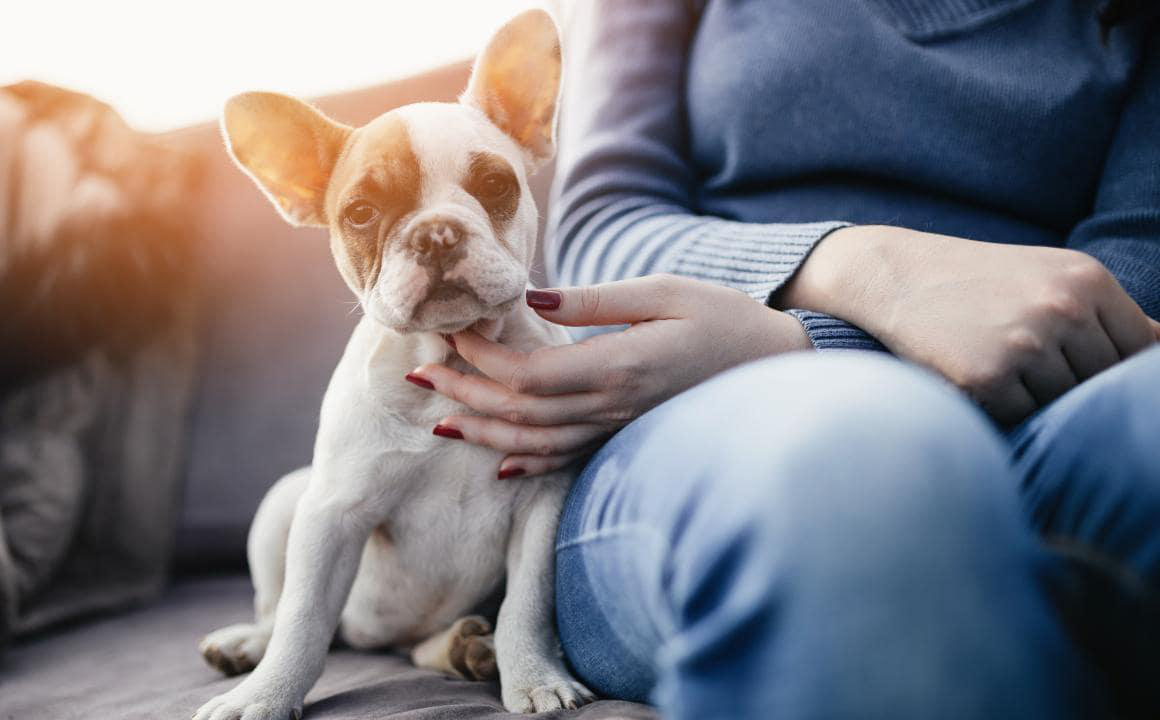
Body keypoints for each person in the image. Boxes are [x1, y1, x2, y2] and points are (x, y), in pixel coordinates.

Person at [412, 1, 1160, 718]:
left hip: (1057, 410)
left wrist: (806, 342)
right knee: (862, 463)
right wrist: (870, 271)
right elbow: (604, 228)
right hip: (706, 414)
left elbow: (1121, 307)